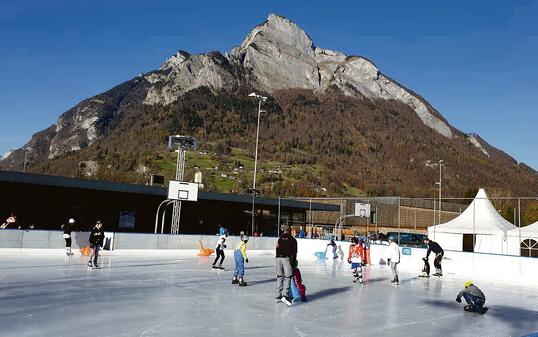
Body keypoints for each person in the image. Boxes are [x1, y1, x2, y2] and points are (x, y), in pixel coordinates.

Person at [275, 225, 297, 307]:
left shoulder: (280, 239)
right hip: (286, 259)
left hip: (278, 258)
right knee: (288, 276)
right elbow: (294, 253)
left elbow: (277, 249)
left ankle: (278, 296)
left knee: (279, 276)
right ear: (290, 231)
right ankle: (284, 296)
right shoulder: (292, 240)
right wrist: (293, 262)